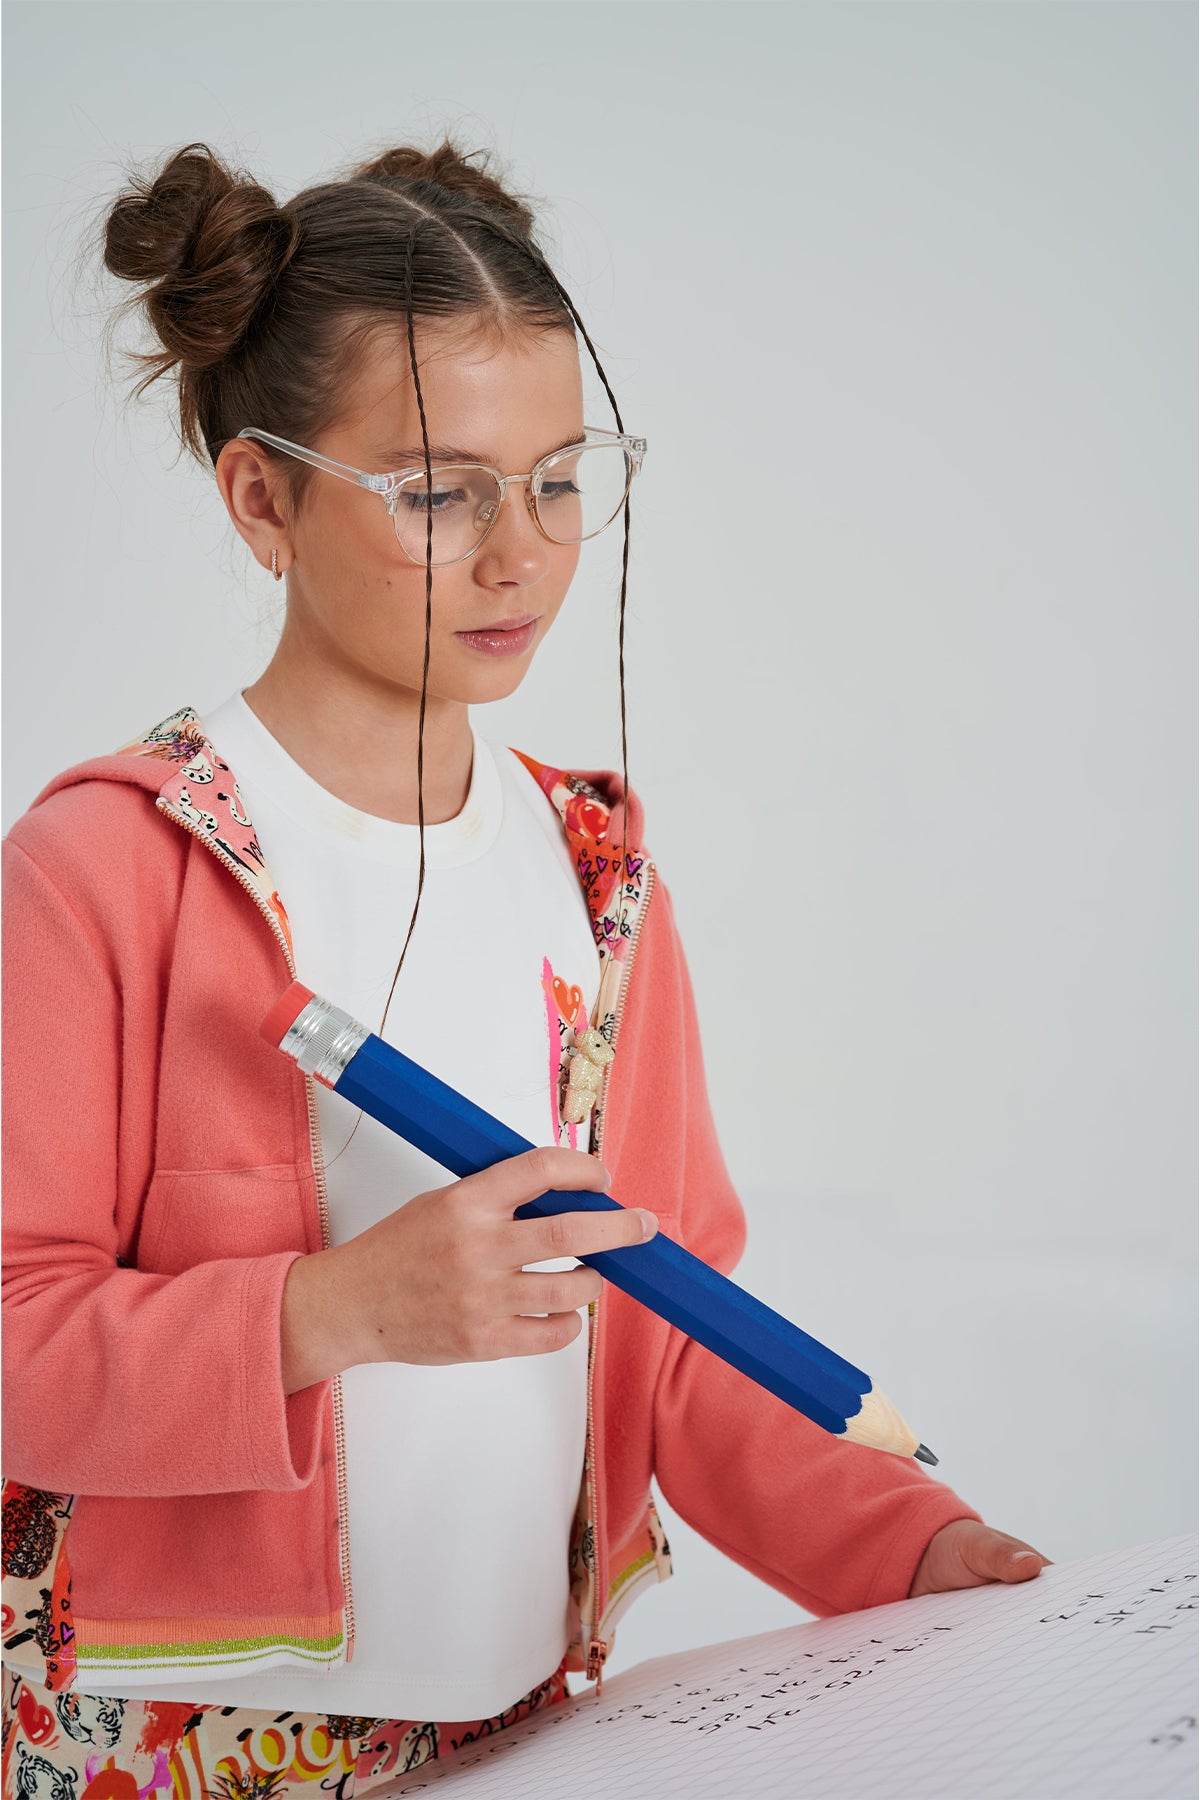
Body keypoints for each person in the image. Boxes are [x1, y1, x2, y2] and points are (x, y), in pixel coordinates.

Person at [1, 137, 1050, 1797]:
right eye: (438, 489)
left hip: (530, 1735)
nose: (523, 550)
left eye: (564, 476)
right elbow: (14, 1344)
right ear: (260, 496)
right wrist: (342, 1308)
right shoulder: (104, 872)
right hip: (161, 1737)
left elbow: (676, 1319)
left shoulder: (597, 874)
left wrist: (905, 1546)